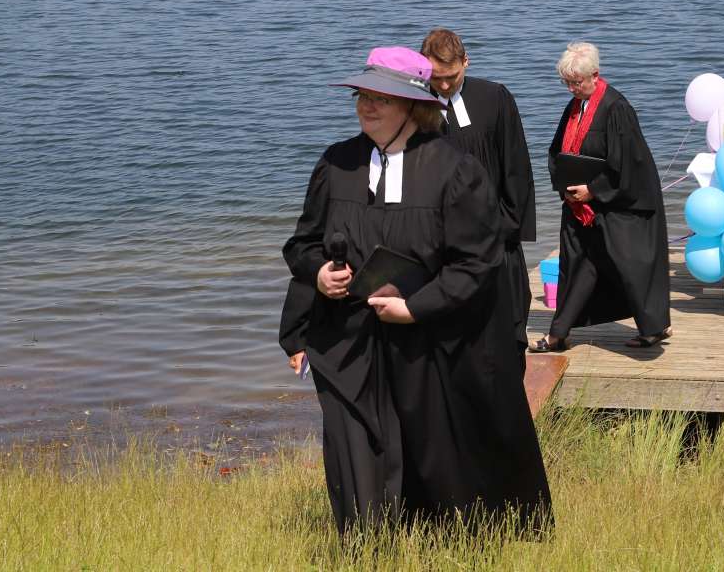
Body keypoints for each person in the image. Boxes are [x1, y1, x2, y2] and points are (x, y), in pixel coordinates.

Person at [282, 46, 551, 533]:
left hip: (428, 341)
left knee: (437, 454)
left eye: (380, 98)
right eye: (362, 95)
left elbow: (479, 260)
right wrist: (320, 273)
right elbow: (302, 244)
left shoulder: (453, 171)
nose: (366, 105)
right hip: (350, 341)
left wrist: (416, 307)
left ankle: (443, 540)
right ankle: (367, 548)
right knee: (356, 450)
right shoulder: (336, 164)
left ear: (413, 105)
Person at [533, 41, 671, 352]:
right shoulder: (575, 107)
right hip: (578, 203)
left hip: (618, 202)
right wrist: (566, 187)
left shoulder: (616, 108)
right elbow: (558, 151)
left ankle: (654, 328)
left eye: (577, 82)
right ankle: (559, 334)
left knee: (629, 267)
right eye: (566, 82)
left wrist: (593, 191)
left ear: (595, 75)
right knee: (576, 265)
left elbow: (627, 164)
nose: (571, 88)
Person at [420, 28, 538, 358]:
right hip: (439, 239)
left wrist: (509, 226)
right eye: (436, 77)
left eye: (451, 76)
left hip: (495, 233)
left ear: (466, 63)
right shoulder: (413, 105)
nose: (443, 85)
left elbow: (515, 164)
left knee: (508, 321)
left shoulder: (494, 98)